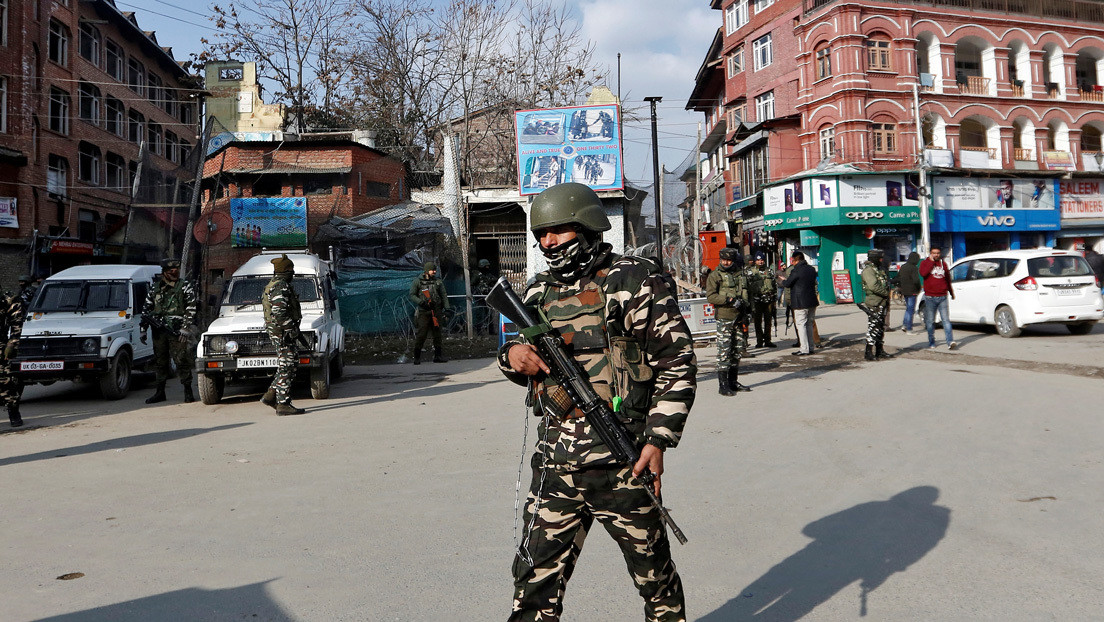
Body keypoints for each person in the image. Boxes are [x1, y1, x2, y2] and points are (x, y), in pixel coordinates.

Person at [499, 182, 696, 621]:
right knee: (532, 586)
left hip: (624, 463)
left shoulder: (634, 281)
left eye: (557, 230)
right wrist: (511, 356)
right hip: (556, 466)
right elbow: (519, 355)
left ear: (587, 226)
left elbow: (677, 362)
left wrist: (658, 440)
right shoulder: (537, 293)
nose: (548, 243)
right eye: (541, 234)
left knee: (656, 582)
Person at [141, 259, 198, 404]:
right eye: (171, 271)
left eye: (176, 270)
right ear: (164, 272)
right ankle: (160, 392)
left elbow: (191, 307)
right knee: (160, 361)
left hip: (177, 330)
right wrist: (143, 329)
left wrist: (185, 328)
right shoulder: (155, 288)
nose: (174, 273)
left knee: (181, 360)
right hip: (158, 331)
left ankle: (188, 391)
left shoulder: (184, 286)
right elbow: (146, 309)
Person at [261, 254, 306, 415]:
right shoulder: (280, 286)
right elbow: (279, 312)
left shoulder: (275, 284)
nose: (293, 273)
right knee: (287, 366)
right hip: (282, 332)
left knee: (289, 363)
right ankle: (283, 404)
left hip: (279, 331)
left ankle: (271, 395)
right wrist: (291, 329)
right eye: (291, 270)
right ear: (285, 271)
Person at [706, 247, 752, 395]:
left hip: (740, 317)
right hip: (725, 317)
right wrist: (729, 300)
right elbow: (711, 296)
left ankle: (733, 381)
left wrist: (748, 312)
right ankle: (723, 385)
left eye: (729, 260)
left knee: (737, 350)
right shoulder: (715, 275)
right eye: (723, 260)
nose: (726, 263)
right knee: (724, 351)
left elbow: (749, 294)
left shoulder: (740, 274)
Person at [0, 275, 34, 427]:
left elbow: (16, 323)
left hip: (1, 345)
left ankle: (13, 411)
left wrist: (12, 344)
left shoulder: (8, 299)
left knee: (5, 381)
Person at [409, 261, 449, 364]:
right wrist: (421, 303)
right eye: (432, 270)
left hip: (436, 311)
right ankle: (417, 357)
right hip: (424, 311)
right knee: (422, 334)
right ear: (427, 271)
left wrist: (447, 308)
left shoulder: (438, 281)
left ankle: (438, 356)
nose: (434, 272)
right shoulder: (418, 281)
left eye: (435, 270)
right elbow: (412, 295)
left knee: (437, 334)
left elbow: (443, 295)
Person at [780, 251, 818, 356]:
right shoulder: (811, 269)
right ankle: (811, 347)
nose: (792, 262)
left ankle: (804, 349)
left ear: (796, 260)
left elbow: (788, 284)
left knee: (801, 325)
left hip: (800, 302)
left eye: (792, 260)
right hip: (812, 300)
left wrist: (783, 281)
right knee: (809, 324)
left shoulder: (796, 270)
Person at [919, 247, 958, 350]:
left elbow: (947, 279)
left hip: (942, 296)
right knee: (930, 321)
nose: (936, 255)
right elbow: (923, 274)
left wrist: (951, 292)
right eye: (934, 253)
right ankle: (931, 341)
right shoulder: (925, 263)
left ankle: (950, 341)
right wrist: (931, 262)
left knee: (946, 320)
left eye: (938, 253)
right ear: (930, 253)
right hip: (930, 297)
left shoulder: (943, 264)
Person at [860, 249, 891, 361]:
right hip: (874, 302)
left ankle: (879, 350)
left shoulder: (878, 269)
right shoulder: (869, 271)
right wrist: (886, 293)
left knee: (880, 327)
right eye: (880, 258)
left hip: (882, 302)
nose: (882, 260)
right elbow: (873, 286)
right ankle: (868, 352)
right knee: (873, 327)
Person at [746, 252, 778, 348]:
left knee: (768, 321)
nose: (760, 262)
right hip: (757, 300)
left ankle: (768, 340)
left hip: (769, 300)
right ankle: (759, 341)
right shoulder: (750, 271)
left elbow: (774, 284)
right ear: (755, 261)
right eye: (758, 260)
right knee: (757, 321)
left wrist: (774, 298)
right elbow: (747, 286)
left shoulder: (769, 271)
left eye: (762, 260)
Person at [892, 252, 922, 334]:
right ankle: (909, 329)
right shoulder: (913, 268)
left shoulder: (903, 266)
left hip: (904, 290)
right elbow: (916, 280)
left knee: (908, 309)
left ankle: (904, 325)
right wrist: (919, 288)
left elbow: (899, 277)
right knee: (910, 310)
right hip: (912, 291)